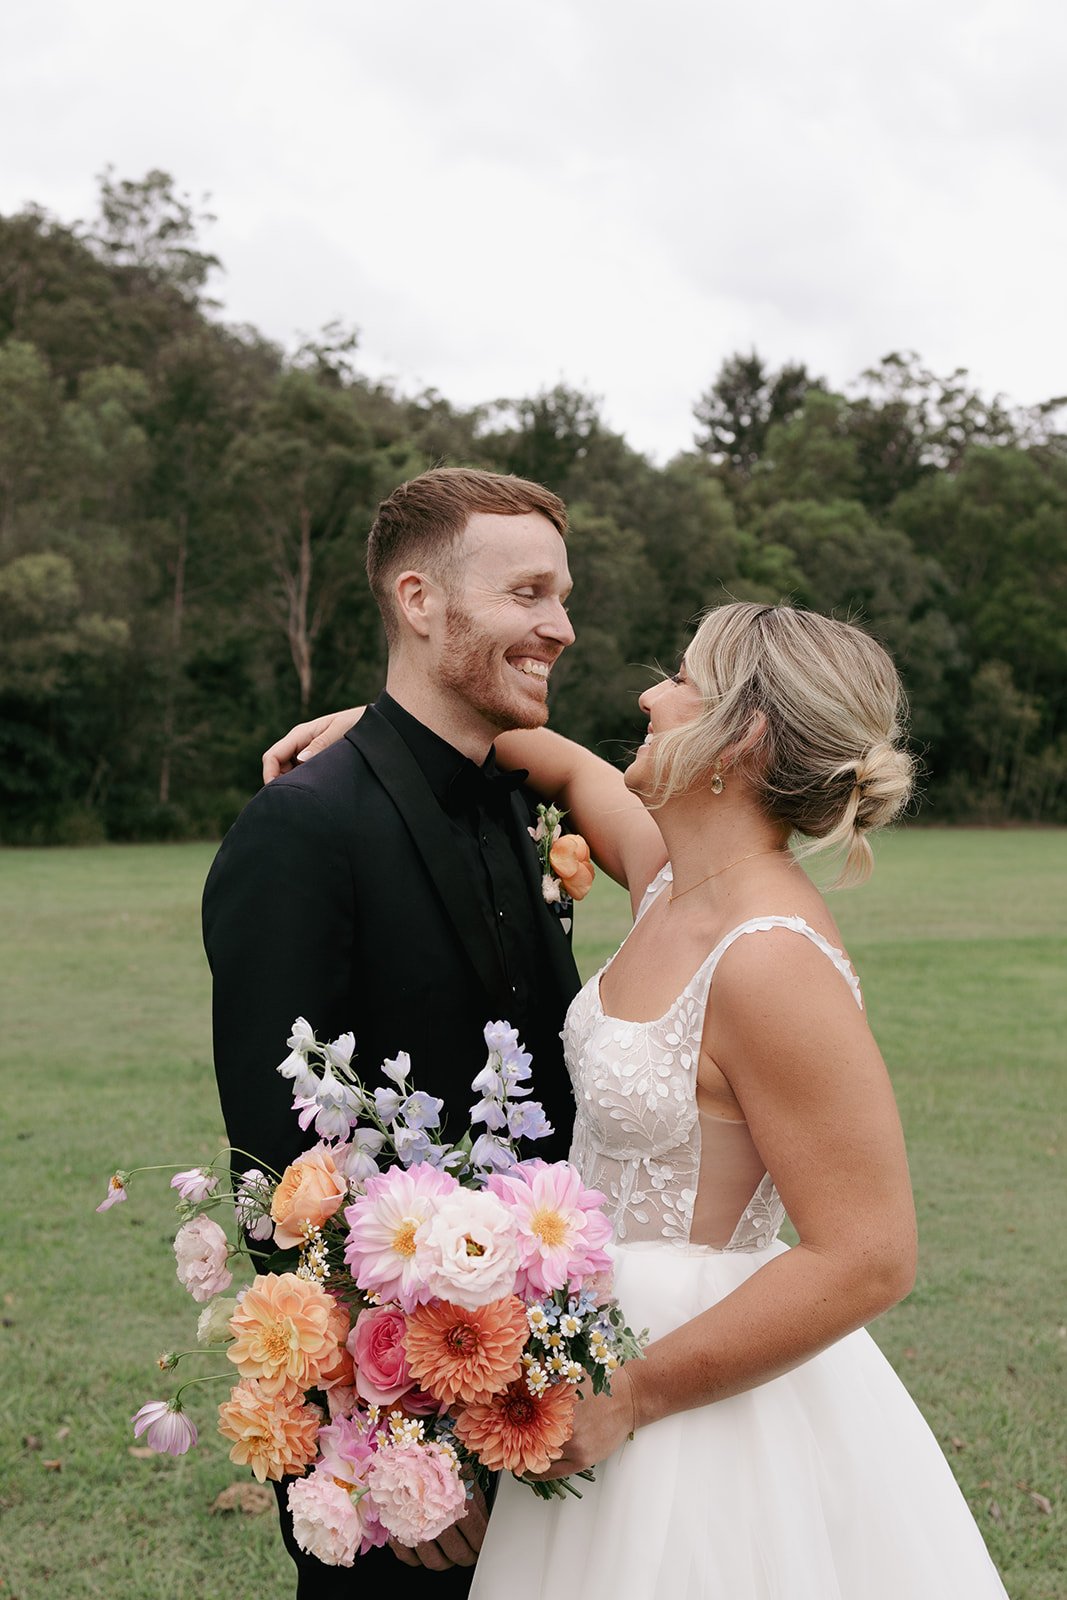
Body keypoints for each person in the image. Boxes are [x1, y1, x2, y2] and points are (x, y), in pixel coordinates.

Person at [279, 602, 1009, 1598]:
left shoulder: (768, 963)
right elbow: (571, 765)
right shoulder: (673, 883)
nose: (647, 693)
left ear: (739, 736)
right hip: (588, 1344)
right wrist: (374, 734)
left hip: (687, 1395)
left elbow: (870, 1253)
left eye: (680, 678)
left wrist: (633, 1394)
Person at [202, 466, 658, 1599]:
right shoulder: (300, 829)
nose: (561, 625)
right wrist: (387, 1449)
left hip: (543, 1397)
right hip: (407, 1458)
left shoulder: (518, 797)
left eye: (562, 595)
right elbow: (280, 1173)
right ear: (418, 600)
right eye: (529, 593)